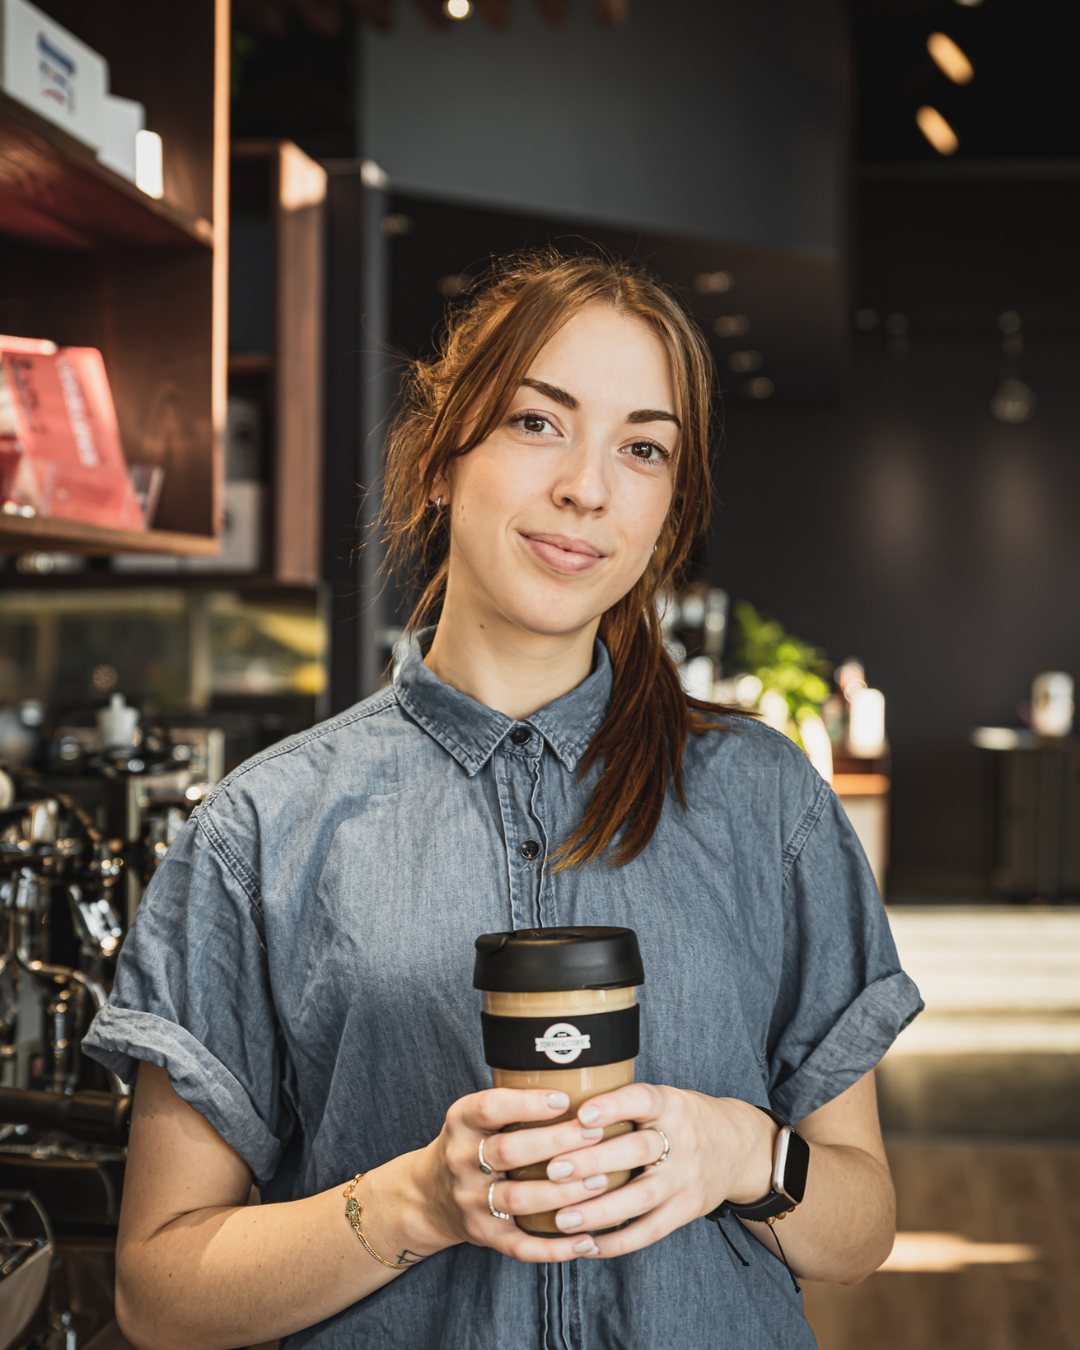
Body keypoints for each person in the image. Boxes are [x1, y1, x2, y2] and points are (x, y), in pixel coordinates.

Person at [84, 251, 921, 1350]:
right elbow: (159, 1290)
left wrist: (740, 1154)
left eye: (644, 448)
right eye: (539, 423)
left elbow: (858, 1233)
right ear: (440, 461)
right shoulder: (263, 830)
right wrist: (416, 1204)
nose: (588, 485)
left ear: (669, 510)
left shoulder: (767, 805)